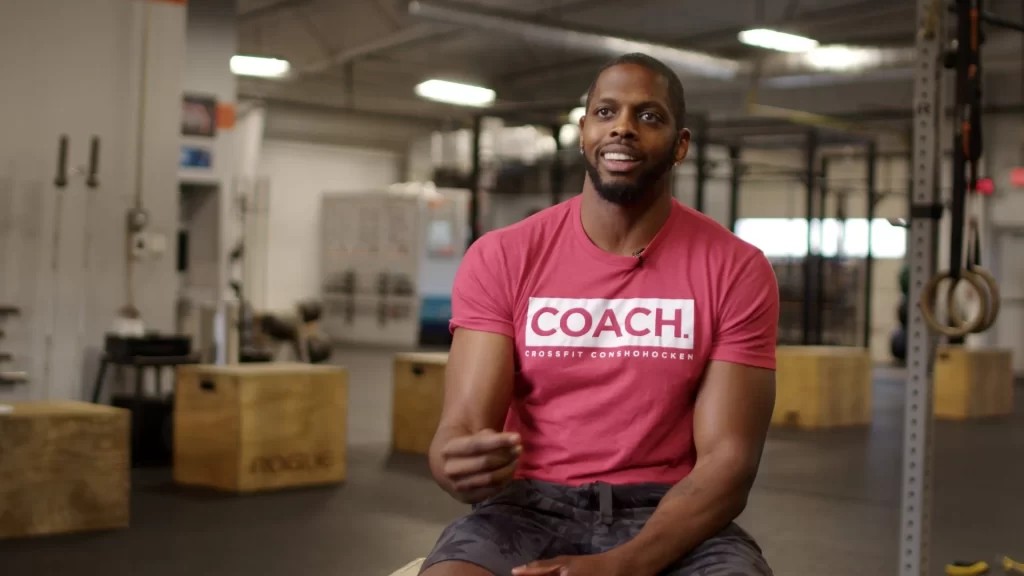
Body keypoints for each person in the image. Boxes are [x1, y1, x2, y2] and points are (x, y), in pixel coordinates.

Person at [419, 52, 779, 576]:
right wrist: (453, 462)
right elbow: (463, 426)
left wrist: (621, 566)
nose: (623, 128)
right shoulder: (503, 256)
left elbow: (729, 463)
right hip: (526, 506)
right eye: (606, 112)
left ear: (680, 145)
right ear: (584, 132)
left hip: (670, 510)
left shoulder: (736, 267)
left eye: (648, 116)